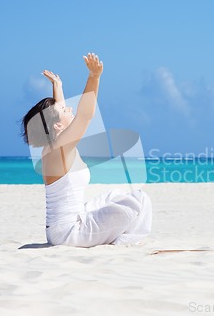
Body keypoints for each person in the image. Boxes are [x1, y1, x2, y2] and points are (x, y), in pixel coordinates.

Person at [21, 53, 152, 247]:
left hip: (67, 225)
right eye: (65, 110)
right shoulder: (59, 148)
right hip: (69, 233)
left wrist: (58, 86)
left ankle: (118, 237)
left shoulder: (55, 145)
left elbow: (59, 115)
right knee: (138, 201)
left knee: (115, 195)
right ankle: (125, 242)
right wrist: (94, 77)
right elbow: (85, 115)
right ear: (56, 126)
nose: (70, 109)